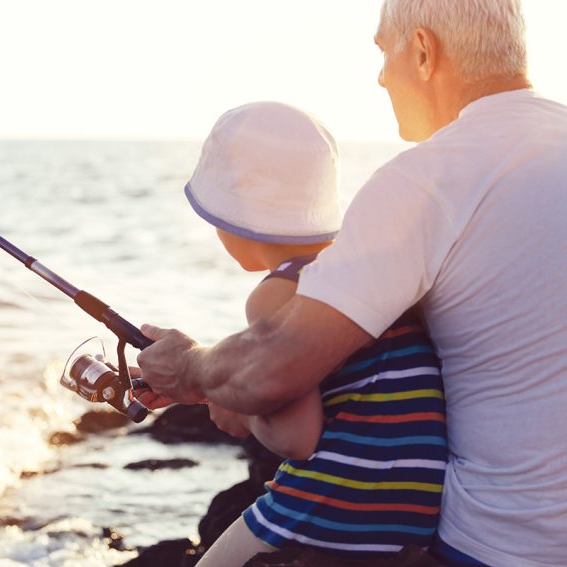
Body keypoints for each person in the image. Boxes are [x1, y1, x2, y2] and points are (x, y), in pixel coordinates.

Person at [137, 1, 567, 566]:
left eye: (382, 52)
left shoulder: (430, 177)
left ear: (421, 50)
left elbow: (277, 363)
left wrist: (194, 368)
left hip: (501, 546)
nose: (381, 76)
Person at [166, 101, 447, 566]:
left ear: (233, 214)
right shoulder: (372, 271)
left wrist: (241, 408)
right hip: (412, 521)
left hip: (328, 515)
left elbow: (297, 438)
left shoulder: (276, 293)